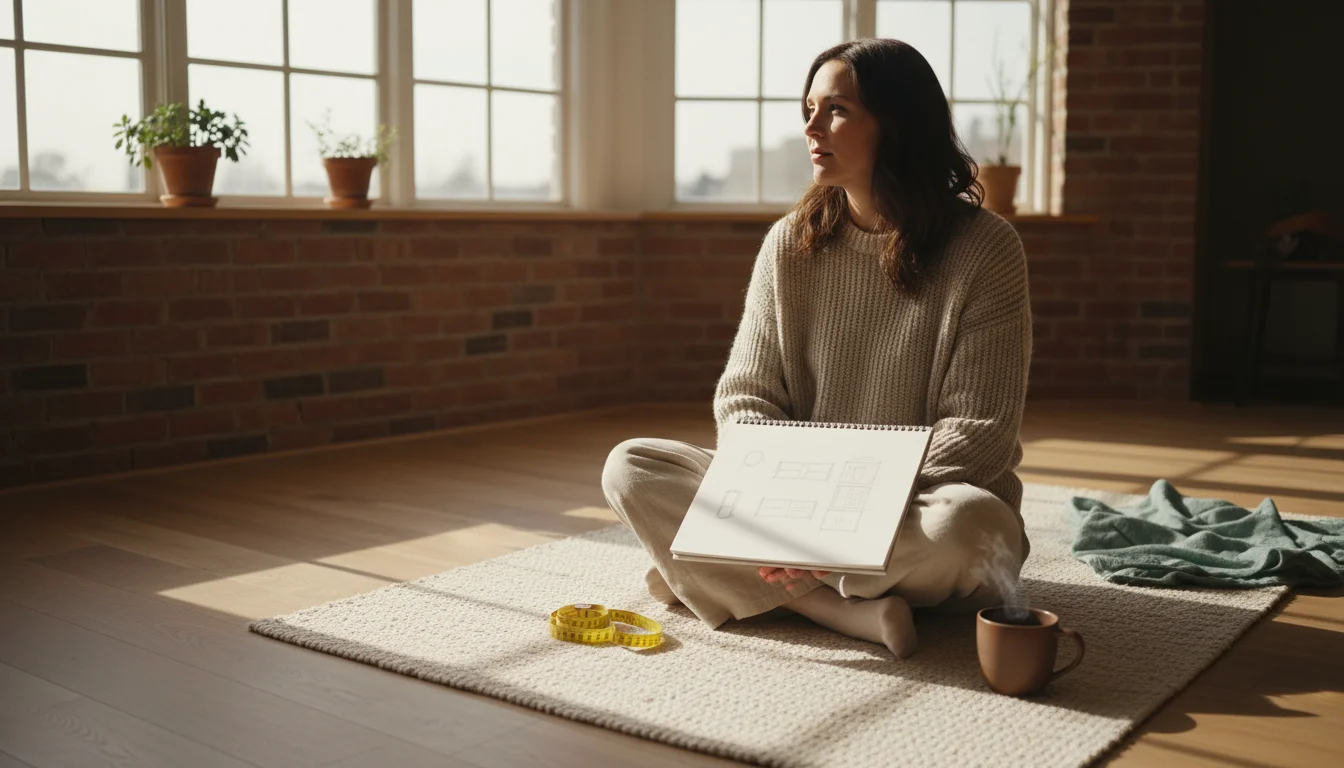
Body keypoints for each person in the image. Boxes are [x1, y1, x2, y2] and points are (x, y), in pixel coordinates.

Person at [601, 38, 1031, 659]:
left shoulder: (987, 249)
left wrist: (826, 521)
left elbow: (980, 430)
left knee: (973, 529)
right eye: (808, 108)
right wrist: (788, 506)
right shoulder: (789, 242)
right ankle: (833, 607)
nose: (810, 127)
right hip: (793, 498)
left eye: (837, 110)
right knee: (634, 465)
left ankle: (709, 574)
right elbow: (747, 395)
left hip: (914, 502)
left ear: (899, 122)